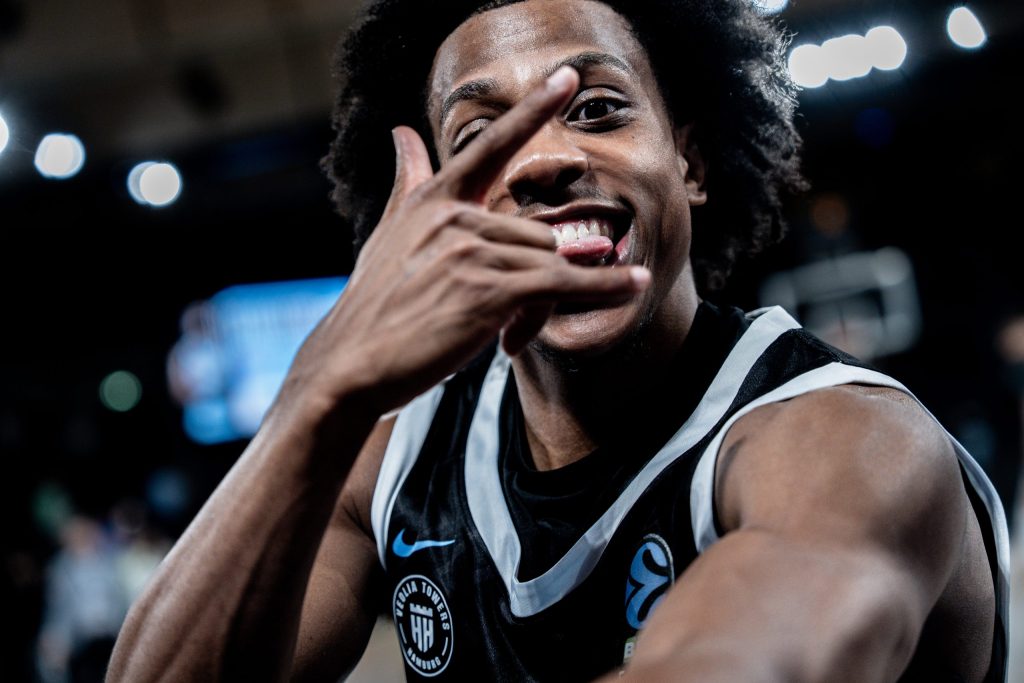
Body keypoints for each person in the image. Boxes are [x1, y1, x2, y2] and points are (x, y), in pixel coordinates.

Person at [108, 0, 1009, 681]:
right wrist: (318, 392)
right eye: (482, 136)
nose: (542, 161)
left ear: (690, 164)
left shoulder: (847, 439)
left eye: (597, 109)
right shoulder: (397, 455)